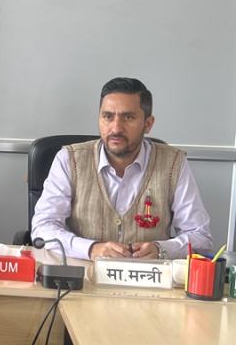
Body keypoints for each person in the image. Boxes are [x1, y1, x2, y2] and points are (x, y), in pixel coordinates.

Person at [31, 77, 212, 260]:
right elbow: (43, 227)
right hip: (84, 272)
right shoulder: (69, 160)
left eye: (128, 117)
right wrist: (91, 249)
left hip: (148, 274)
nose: (116, 128)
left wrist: (161, 249)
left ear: (148, 124)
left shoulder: (174, 163)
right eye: (108, 117)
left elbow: (200, 236)